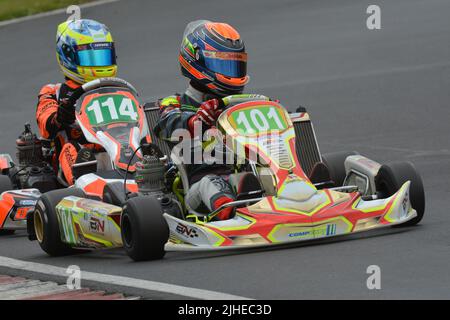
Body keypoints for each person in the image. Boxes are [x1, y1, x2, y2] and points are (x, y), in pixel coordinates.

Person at [154, 20, 259, 220]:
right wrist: (195, 121)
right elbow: (166, 125)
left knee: (261, 176)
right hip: (198, 190)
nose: (231, 72)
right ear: (197, 61)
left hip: (244, 175)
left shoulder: (239, 105)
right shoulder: (175, 104)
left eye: (235, 65)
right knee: (210, 183)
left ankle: (307, 190)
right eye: (223, 64)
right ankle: (230, 210)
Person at [36, 19, 117, 185]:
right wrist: (60, 117)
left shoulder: (117, 89)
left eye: (103, 56)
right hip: (73, 166)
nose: (98, 64)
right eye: (90, 58)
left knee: (142, 143)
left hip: (116, 155)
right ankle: (88, 191)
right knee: (73, 148)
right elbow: (46, 125)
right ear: (68, 56)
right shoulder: (54, 92)